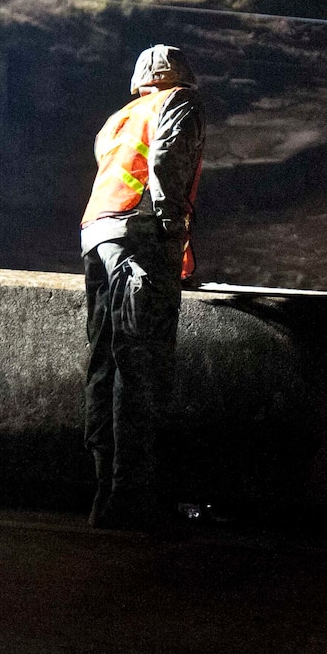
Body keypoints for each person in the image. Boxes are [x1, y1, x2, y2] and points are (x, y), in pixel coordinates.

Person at [80, 45, 205, 530]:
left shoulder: (118, 118)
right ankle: (132, 498)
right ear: (182, 77)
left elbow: (112, 172)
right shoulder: (180, 103)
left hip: (96, 233)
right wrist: (173, 234)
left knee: (104, 361)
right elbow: (167, 164)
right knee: (141, 364)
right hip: (139, 237)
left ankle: (103, 495)